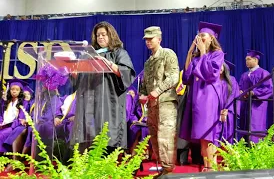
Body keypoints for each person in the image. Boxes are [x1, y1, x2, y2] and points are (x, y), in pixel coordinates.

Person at [71, 21, 135, 152]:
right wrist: (75, 73)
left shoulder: (119, 53)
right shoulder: (88, 56)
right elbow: (80, 81)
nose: (100, 37)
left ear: (110, 35)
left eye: (103, 34)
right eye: (98, 35)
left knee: (107, 136)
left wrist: (110, 65)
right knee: (89, 139)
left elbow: (127, 73)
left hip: (108, 101)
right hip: (89, 102)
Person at [179, 21, 224, 172]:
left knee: (208, 135)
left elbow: (210, 75)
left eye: (203, 36)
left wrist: (204, 52)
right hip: (197, 99)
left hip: (209, 98)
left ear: (211, 38)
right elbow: (186, 78)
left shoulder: (217, 54)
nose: (200, 38)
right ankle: (207, 167)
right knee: (202, 138)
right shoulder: (197, 58)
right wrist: (190, 52)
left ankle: (211, 167)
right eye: (198, 36)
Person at [139, 26, 179, 177]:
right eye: (146, 39)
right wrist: (142, 95)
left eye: (151, 38)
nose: (148, 41)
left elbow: (174, 77)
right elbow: (144, 85)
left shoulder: (168, 54)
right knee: (155, 137)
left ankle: (169, 170)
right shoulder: (148, 62)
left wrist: (158, 90)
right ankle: (164, 169)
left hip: (166, 102)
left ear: (159, 39)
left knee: (166, 137)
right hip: (153, 105)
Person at [239, 50, 273, 143]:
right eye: (246, 60)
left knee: (255, 125)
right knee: (244, 126)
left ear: (255, 60)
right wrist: (240, 91)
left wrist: (254, 93)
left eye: (249, 59)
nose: (246, 62)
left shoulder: (263, 73)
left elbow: (268, 88)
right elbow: (241, 87)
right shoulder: (244, 75)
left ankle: (255, 147)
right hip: (245, 105)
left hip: (257, 105)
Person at [220, 60, 240, 144]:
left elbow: (233, 96)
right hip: (215, 110)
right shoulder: (213, 80)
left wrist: (225, 109)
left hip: (228, 110)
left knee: (228, 132)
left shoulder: (232, 80)